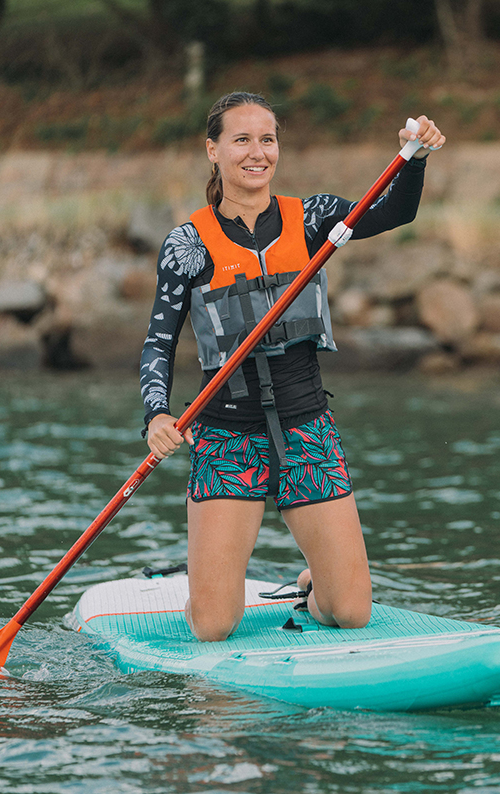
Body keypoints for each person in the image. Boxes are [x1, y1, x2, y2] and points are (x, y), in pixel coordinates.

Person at [140, 91, 445, 642]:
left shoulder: (314, 219)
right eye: (241, 139)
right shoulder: (187, 245)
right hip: (228, 436)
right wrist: (157, 415)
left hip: (307, 427)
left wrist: (413, 158)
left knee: (351, 613)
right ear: (213, 151)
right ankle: (202, 591)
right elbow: (159, 341)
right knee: (213, 627)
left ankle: (311, 588)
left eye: (268, 139)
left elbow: (394, 210)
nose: (257, 152)